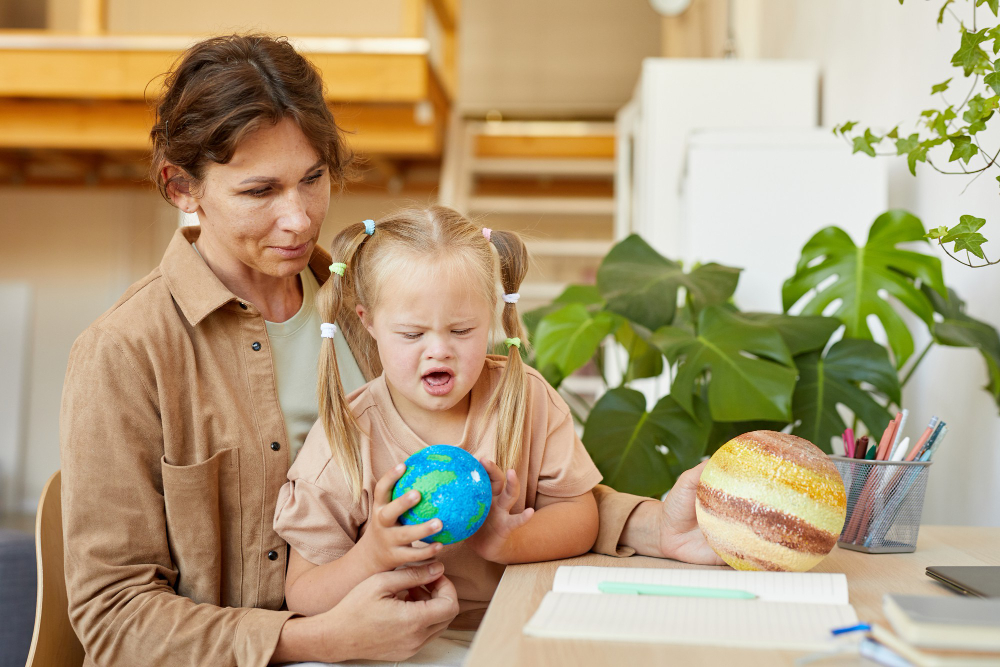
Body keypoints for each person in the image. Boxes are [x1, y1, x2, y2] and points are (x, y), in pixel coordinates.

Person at [58, 33, 718, 667]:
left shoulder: (387, 303)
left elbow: (518, 493)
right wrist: (316, 640)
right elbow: (113, 617)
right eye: (260, 191)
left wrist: (660, 528)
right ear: (183, 188)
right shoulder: (122, 354)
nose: (298, 218)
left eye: (312, 179)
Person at [273, 208, 604, 658]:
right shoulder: (345, 438)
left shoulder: (525, 401)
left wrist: (509, 542)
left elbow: (580, 515)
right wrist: (372, 555)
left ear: (490, 316)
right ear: (367, 321)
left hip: (518, 627)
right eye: (411, 334)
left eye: (462, 330)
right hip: (396, 646)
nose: (439, 351)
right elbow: (305, 594)